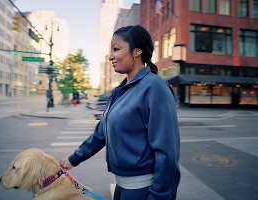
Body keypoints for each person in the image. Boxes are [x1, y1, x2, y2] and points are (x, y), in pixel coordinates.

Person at [60, 25, 180, 200]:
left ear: (137, 51)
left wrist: (159, 197)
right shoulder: (118, 91)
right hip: (121, 188)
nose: (110, 56)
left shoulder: (155, 87)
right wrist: (72, 160)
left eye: (116, 49)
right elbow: (101, 133)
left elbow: (167, 152)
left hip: (143, 189)